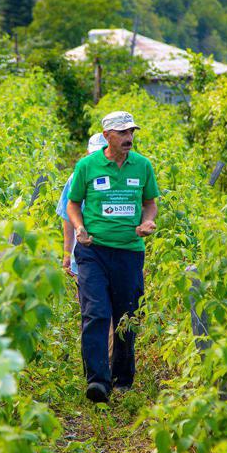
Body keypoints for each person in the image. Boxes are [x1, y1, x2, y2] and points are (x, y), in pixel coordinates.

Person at [66, 110, 160, 403]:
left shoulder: (142, 167)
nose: (128, 138)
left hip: (129, 253)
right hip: (93, 251)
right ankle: (97, 381)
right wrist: (79, 227)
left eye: (131, 132)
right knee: (96, 312)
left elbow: (149, 203)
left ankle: (122, 379)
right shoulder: (87, 166)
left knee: (127, 315)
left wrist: (147, 222)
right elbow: (72, 203)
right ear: (107, 136)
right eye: (122, 133)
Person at [56, 133, 107, 277]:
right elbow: (67, 216)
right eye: (93, 153)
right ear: (87, 153)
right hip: (82, 251)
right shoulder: (77, 177)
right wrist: (66, 254)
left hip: (113, 250)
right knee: (86, 295)